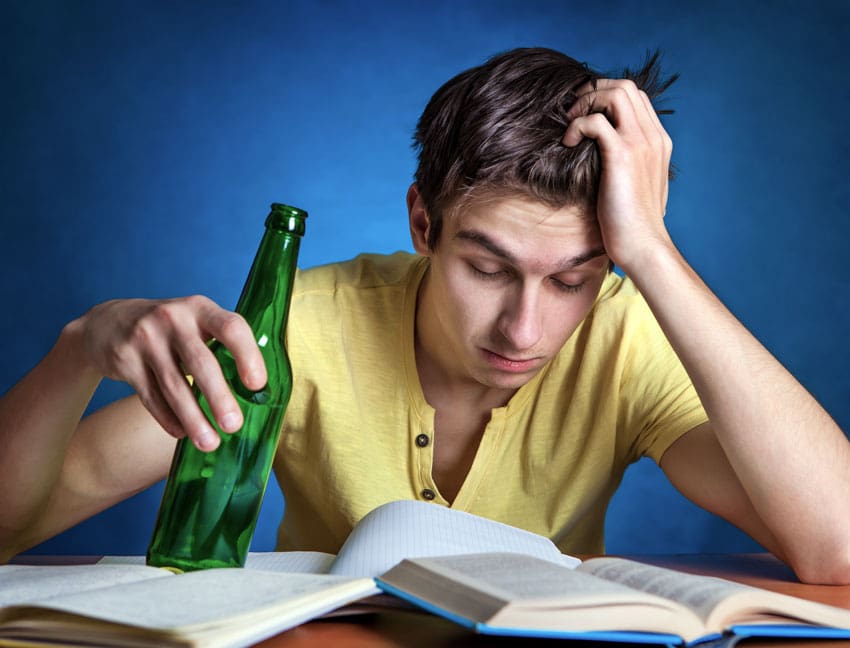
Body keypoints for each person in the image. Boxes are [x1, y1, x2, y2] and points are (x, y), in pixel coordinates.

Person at [1, 47, 848, 584]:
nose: (524, 331)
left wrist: (653, 255)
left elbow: (839, 547)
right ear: (421, 224)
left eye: (574, 278)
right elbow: (14, 526)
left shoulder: (625, 331)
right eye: (487, 268)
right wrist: (77, 350)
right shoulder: (303, 326)